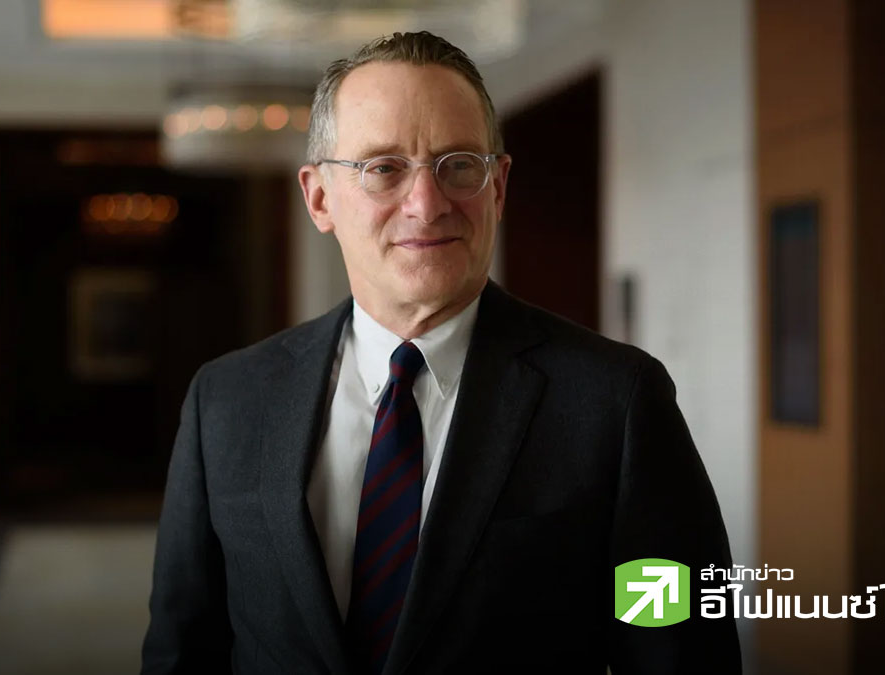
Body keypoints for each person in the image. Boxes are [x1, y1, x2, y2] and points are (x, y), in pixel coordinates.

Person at [142, 31, 740, 675]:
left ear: (498, 187)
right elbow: (182, 649)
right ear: (319, 198)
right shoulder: (226, 400)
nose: (426, 205)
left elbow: (680, 654)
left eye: (458, 165)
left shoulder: (616, 401)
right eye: (383, 168)